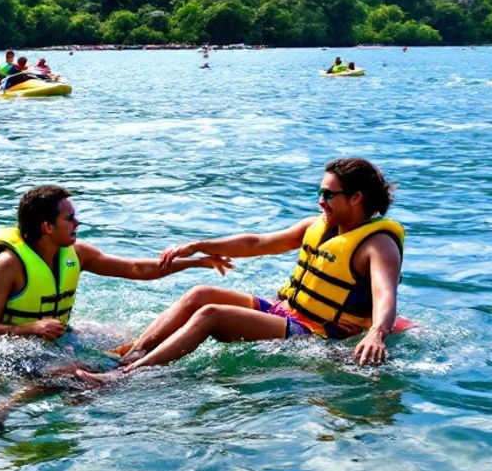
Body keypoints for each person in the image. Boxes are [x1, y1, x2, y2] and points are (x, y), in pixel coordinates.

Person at [81, 158, 403, 380]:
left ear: (357, 198)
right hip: (287, 312)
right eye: (319, 192)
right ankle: (129, 356)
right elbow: (258, 243)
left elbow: (385, 294)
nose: (320, 200)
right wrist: (199, 246)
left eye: (328, 194)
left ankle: (126, 379)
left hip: (320, 332)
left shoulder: (377, 245)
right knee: (200, 294)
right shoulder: (318, 225)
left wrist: (376, 333)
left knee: (212, 315)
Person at [0, 185, 227, 429]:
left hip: (53, 336)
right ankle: (1, 411)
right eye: (69, 218)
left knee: (122, 343)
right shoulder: (8, 264)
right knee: (71, 373)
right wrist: (33, 328)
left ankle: (83, 392)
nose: (77, 223)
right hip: (9, 346)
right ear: (47, 227)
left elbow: (136, 268)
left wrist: (194, 263)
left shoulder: (77, 253)